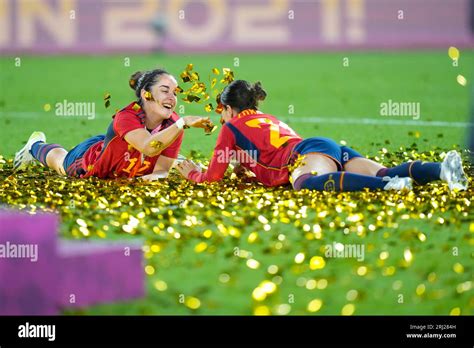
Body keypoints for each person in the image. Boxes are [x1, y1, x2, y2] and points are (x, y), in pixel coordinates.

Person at [176, 80, 468, 192]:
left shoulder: (230, 127)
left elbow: (213, 177)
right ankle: (442, 170)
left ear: (227, 108)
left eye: (221, 110)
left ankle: (387, 187)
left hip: (306, 156)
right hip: (322, 146)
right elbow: (262, 154)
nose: (220, 117)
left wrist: (193, 174)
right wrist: (245, 169)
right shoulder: (267, 118)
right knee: (384, 168)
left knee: (304, 183)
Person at [14, 69, 210, 180]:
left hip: (122, 145)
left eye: (175, 92)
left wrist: (139, 182)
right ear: (145, 94)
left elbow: (161, 171)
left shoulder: (174, 123)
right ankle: (34, 146)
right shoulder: (127, 116)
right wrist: (183, 123)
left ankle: (178, 160)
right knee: (60, 163)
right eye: (165, 90)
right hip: (91, 161)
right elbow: (149, 148)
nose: (172, 97)